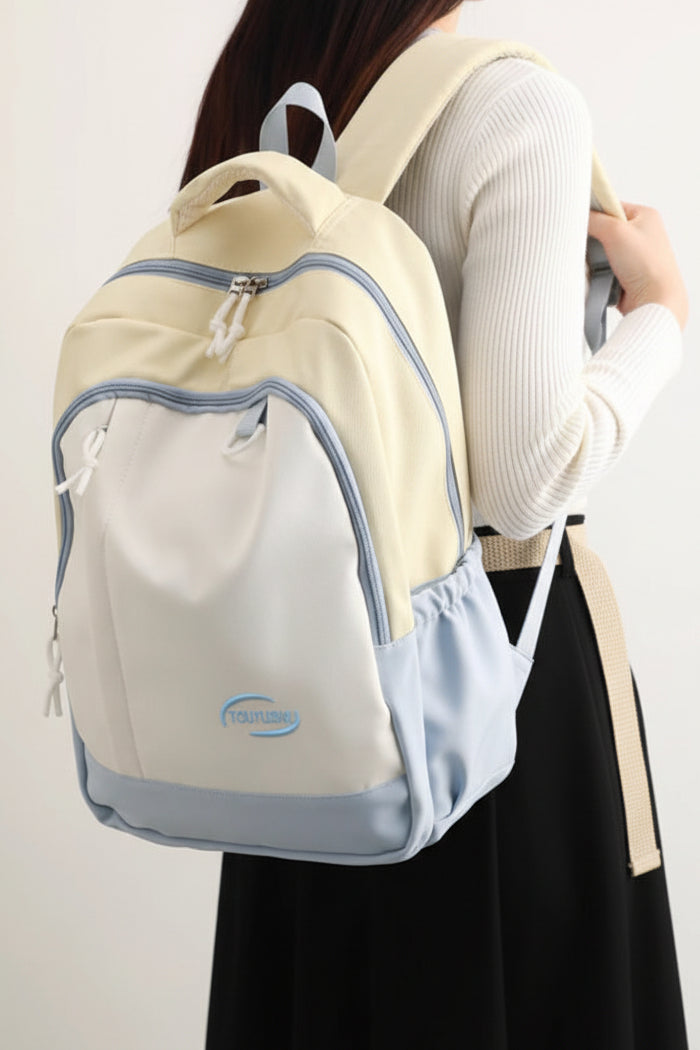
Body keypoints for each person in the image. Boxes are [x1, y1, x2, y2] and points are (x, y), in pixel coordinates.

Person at [178, 3, 690, 1047]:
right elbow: (521, 479)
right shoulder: (513, 105)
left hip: (301, 664)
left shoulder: (271, 86)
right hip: (488, 667)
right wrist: (659, 317)